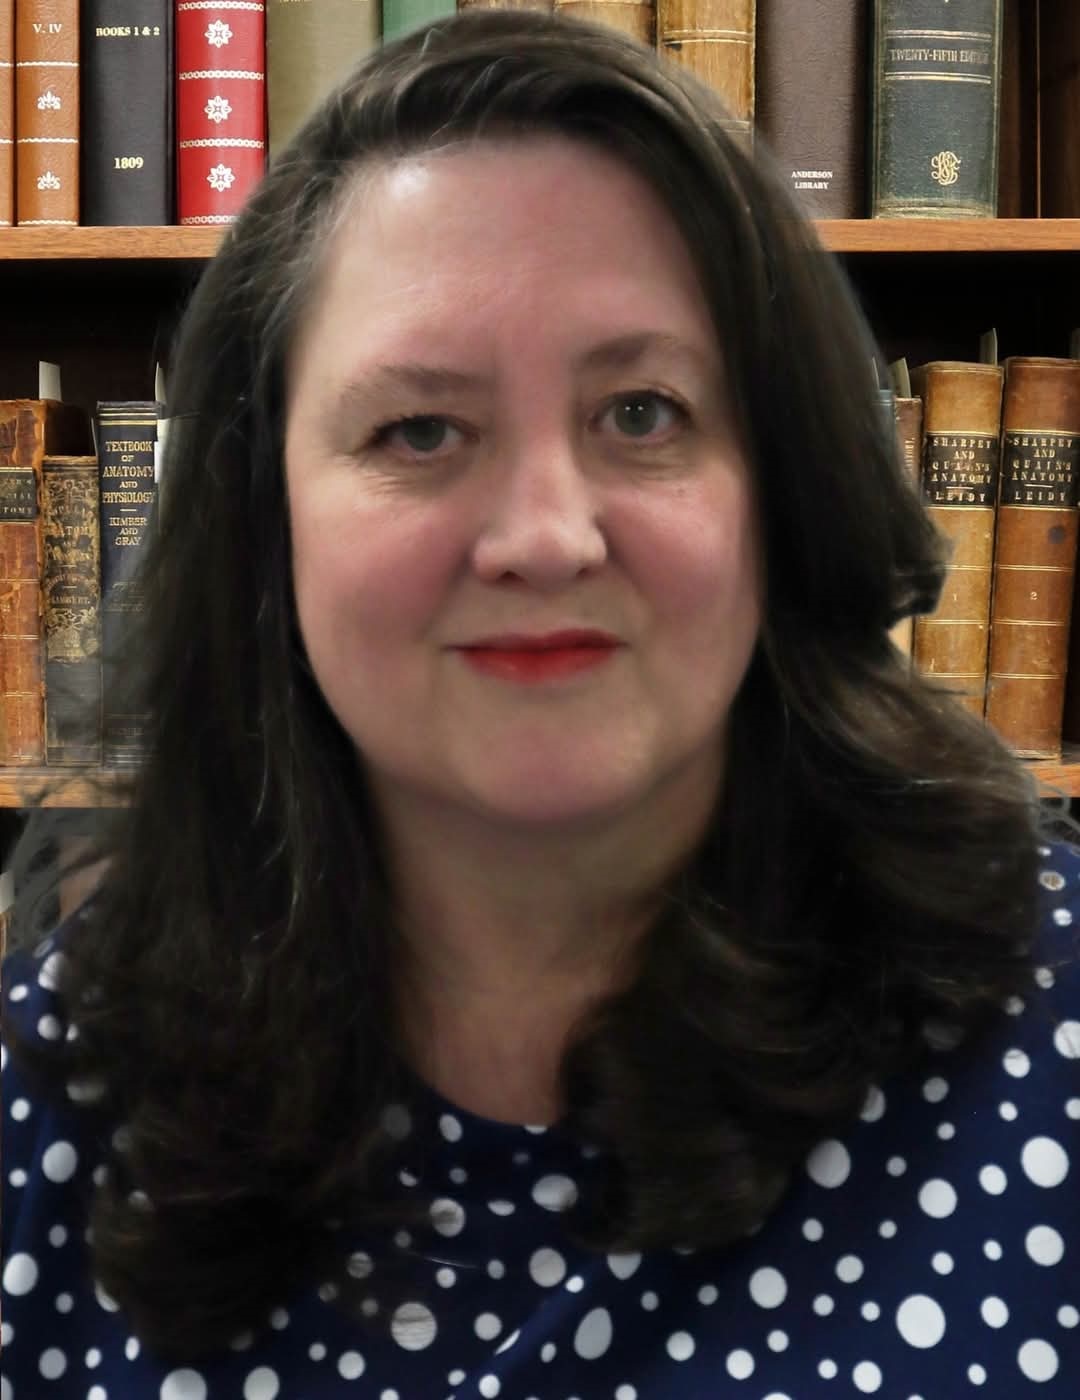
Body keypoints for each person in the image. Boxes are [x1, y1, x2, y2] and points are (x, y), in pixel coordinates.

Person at [2, 10, 1078, 1398]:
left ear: (782, 490)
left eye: (643, 413)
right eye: (420, 430)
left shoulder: (1048, 1031)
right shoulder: (56, 1099)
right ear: (265, 522)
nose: (545, 537)